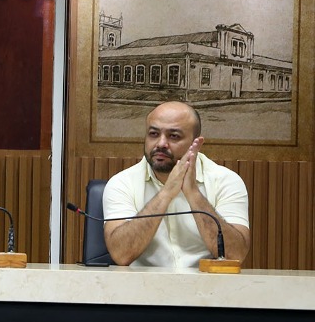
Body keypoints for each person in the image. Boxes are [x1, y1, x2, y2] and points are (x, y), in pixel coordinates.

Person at [102, 101, 250, 267]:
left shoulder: (226, 181)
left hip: (205, 281)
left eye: (174, 136)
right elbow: (121, 255)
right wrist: (166, 194)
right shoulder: (122, 183)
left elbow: (234, 255)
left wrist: (193, 194)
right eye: (153, 134)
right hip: (144, 282)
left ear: (196, 143)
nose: (161, 144)